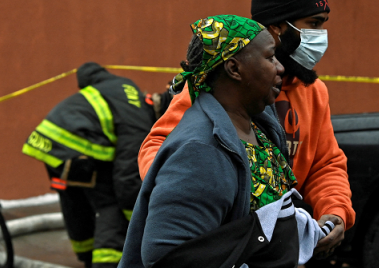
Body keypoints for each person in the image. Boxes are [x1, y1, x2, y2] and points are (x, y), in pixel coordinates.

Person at [137, 0, 353, 259]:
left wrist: (334, 212)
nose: (321, 34)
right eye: (313, 23)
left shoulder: (312, 91)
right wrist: (200, 198)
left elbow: (326, 164)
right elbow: (162, 150)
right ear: (277, 27)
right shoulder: (214, 91)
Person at [120, 15, 330, 268]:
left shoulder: (259, 127)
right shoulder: (199, 152)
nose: (280, 67)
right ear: (234, 69)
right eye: (269, 57)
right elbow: (166, 256)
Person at [21, 62, 156, 268]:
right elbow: (127, 177)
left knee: (76, 201)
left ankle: (85, 257)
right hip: (79, 148)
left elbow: (86, 72)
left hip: (50, 146)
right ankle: (107, 263)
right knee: (110, 204)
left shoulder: (116, 86)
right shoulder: (138, 116)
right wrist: (137, 215)